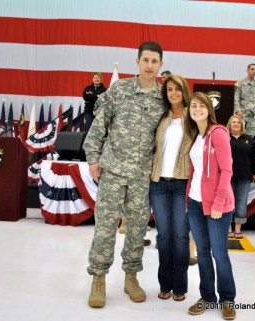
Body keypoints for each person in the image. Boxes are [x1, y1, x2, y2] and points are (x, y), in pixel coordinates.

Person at [83, 41, 164, 308]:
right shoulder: (120, 90)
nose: (150, 65)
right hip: (114, 170)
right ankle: (99, 278)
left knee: (137, 228)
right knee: (106, 226)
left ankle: (131, 276)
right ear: (138, 62)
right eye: (146, 60)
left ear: (160, 64)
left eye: (155, 61)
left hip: (142, 176)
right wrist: (93, 157)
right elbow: (99, 124)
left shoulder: (163, 97)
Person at [185, 92, 236, 320]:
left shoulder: (219, 133)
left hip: (218, 205)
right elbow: (195, 171)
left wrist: (218, 201)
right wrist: (188, 199)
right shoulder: (196, 135)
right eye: (193, 105)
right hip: (195, 203)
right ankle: (207, 297)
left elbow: (227, 171)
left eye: (200, 105)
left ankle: (227, 299)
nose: (196, 109)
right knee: (202, 253)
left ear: (209, 108)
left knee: (219, 253)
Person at [150, 74, 192, 302]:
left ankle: (180, 286)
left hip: (181, 182)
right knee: (164, 236)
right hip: (157, 183)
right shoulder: (162, 118)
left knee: (180, 236)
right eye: (169, 90)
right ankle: (165, 283)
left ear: (184, 91)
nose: (173, 93)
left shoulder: (192, 117)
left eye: (177, 89)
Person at [227, 115, 255, 239]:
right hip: (227, 178)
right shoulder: (225, 138)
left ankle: (237, 229)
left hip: (245, 177)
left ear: (242, 125)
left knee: (241, 203)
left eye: (238, 122)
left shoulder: (249, 139)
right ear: (229, 125)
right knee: (228, 203)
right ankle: (228, 227)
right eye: (233, 122)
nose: (236, 124)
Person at [234, 64, 255, 137]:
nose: (254, 71)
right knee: (238, 135)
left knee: (250, 138)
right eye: (252, 69)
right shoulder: (240, 83)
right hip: (241, 115)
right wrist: (238, 110)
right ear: (247, 70)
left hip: (253, 116)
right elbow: (236, 98)